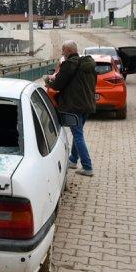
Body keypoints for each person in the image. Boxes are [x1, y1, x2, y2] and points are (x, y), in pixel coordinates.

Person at [44, 40, 97, 176]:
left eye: (63, 50)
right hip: (87, 105)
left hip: (74, 106)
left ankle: (87, 167)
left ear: (67, 51)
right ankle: (73, 160)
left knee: (78, 135)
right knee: (77, 132)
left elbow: (57, 85)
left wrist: (49, 81)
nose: (62, 53)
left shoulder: (69, 64)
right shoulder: (87, 64)